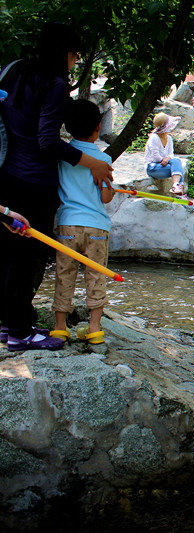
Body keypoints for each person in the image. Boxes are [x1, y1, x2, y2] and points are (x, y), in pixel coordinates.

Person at [0, 22, 114, 352]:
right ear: (65, 52)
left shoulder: (13, 70)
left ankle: (9, 324)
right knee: (28, 256)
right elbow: (47, 141)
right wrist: (90, 161)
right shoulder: (53, 83)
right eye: (75, 55)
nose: (75, 61)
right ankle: (21, 331)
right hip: (34, 180)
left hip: (5, 173)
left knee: (7, 252)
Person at [51, 99, 115, 345]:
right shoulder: (104, 158)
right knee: (96, 276)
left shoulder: (62, 156)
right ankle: (94, 328)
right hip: (97, 227)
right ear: (98, 127)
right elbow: (106, 197)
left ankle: (59, 327)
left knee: (64, 274)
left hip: (67, 224)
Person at [144, 112, 187, 197]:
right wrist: (164, 159)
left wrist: (167, 159)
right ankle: (178, 188)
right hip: (152, 167)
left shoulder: (169, 138)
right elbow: (155, 157)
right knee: (179, 167)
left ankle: (176, 186)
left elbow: (171, 154)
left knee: (177, 164)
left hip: (165, 165)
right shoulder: (154, 138)